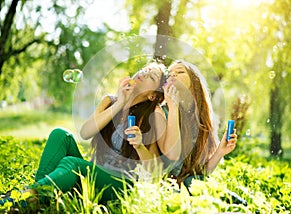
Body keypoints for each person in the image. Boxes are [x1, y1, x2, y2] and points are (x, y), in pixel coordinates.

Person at [0, 61, 167, 207]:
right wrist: (121, 102)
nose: (145, 73)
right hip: (93, 173)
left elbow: (155, 170)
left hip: (119, 185)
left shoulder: (150, 118)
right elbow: (86, 132)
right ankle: (34, 198)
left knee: (72, 163)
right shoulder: (110, 101)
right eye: (145, 70)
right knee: (60, 135)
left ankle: (25, 197)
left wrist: (139, 145)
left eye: (151, 77)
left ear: (153, 95)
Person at [160, 59, 238, 187]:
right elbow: (168, 160)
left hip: (188, 185)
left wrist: (220, 152)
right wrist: (173, 107)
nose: (173, 75)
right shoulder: (161, 113)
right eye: (170, 74)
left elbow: (199, 174)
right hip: (166, 185)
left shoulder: (203, 118)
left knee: (238, 202)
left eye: (180, 72)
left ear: (194, 82)